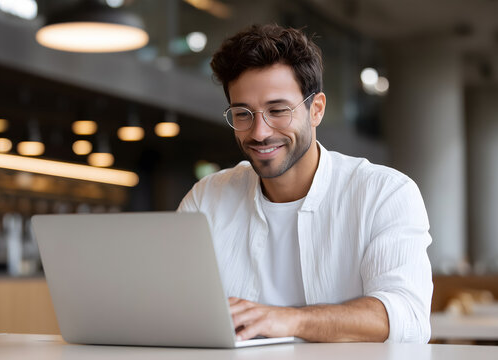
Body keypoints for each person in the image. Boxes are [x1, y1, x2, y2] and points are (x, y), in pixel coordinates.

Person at [178, 24, 433, 343]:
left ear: (317, 110)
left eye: (278, 110)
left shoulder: (385, 193)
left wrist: (289, 320)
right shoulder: (206, 199)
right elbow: (173, 304)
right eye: (243, 114)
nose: (259, 132)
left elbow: (407, 316)